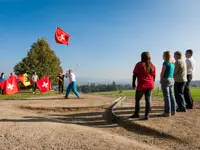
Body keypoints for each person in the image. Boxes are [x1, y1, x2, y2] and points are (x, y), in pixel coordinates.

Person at [131, 52, 156, 120]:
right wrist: (152, 83)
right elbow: (154, 76)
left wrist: (133, 83)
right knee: (148, 100)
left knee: (137, 100)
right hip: (150, 85)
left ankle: (136, 114)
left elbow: (134, 75)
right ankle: (147, 115)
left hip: (142, 85)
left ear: (142, 57)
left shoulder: (139, 64)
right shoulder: (152, 65)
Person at [160, 51, 176, 117]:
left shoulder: (165, 63)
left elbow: (162, 72)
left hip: (166, 80)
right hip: (172, 79)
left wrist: (161, 80)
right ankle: (173, 111)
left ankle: (167, 112)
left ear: (165, 56)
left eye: (163, 55)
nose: (162, 56)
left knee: (166, 97)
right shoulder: (172, 63)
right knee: (172, 95)